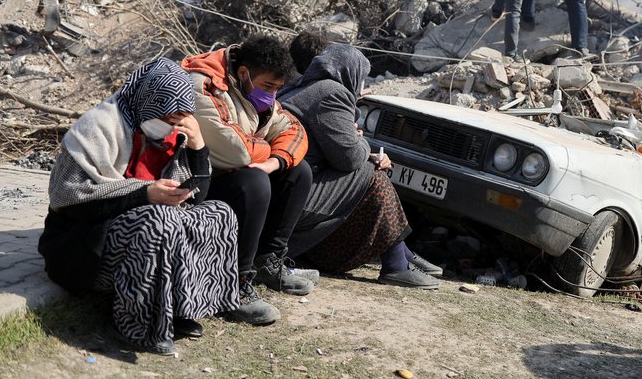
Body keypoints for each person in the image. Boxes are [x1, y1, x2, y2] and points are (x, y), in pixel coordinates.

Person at [38, 58, 241, 356]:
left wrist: (199, 148)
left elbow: (197, 198)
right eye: (169, 117)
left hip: (151, 235)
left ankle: (178, 310)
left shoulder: (177, 136)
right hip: (83, 244)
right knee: (156, 219)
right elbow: (68, 201)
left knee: (217, 213)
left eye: (179, 120)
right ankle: (135, 323)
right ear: (149, 101)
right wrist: (144, 194)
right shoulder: (97, 127)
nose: (172, 126)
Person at [278, 44, 442, 289]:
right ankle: (396, 263)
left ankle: (401, 252)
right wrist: (363, 144)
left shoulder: (300, 87)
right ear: (351, 72)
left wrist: (356, 143)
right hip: (293, 198)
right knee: (371, 173)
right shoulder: (331, 93)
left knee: (366, 170)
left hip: (284, 190)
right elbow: (350, 158)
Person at [182, 35, 318, 319]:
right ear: (243, 73)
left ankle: (268, 260)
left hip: (232, 172)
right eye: (268, 87)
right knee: (253, 181)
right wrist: (265, 148)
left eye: (277, 89)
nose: (271, 95)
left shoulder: (256, 89)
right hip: (192, 185)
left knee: (297, 170)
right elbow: (235, 152)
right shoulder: (204, 84)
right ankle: (234, 285)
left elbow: (295, 131)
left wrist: (272, 162)